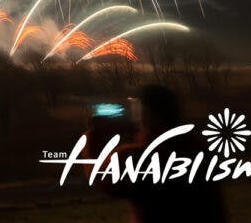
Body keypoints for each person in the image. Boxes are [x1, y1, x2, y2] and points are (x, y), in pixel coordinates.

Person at [85, 84, 226, 222]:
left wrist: (93, 136)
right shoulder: (199, 150)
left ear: (146, 114)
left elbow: (98, 175)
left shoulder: (135, 158)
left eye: (136, 109)